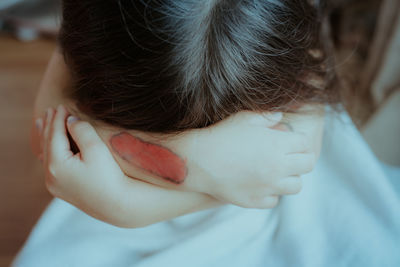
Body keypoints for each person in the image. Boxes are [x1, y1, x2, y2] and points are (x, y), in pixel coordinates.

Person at [13, 0, 400, 266]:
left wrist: (139, 193)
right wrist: (197, 170)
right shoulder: (97, 28)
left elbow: (290, 169)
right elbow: (48, 143)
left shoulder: (295, 50)